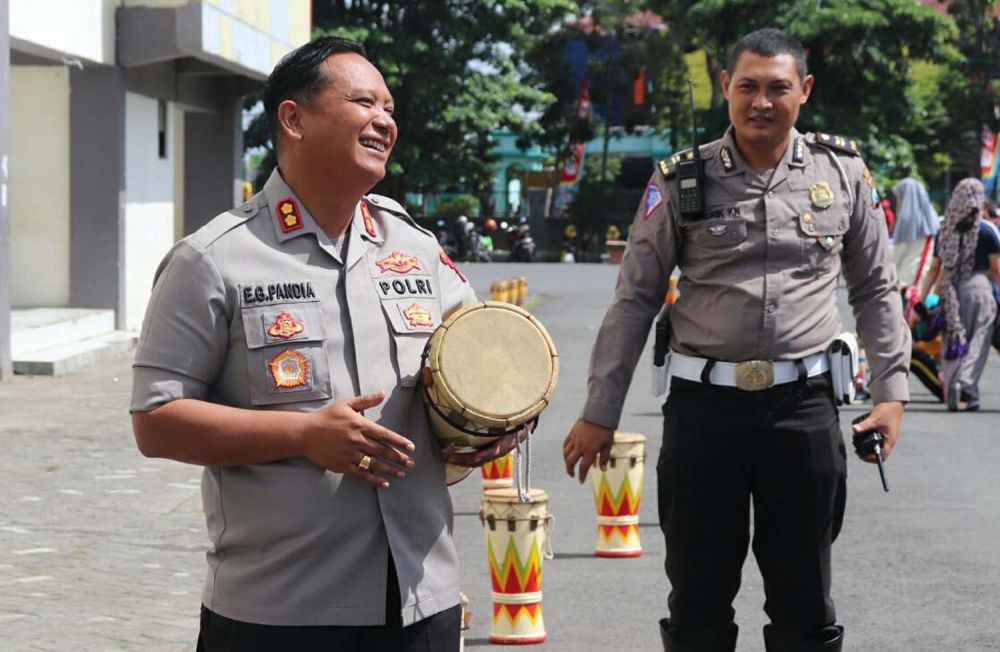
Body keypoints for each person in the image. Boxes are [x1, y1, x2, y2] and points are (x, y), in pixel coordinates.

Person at [129, 37, 519, 652]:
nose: (384, 121)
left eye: (389, 108)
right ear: (294, 119)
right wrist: (303, 435)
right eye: (364, 102)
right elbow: (155, 421)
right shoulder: (212, 259)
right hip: (279, 611)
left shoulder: (414, 247)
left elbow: (479, 359)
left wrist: (492, 423)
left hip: (421, 600)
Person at [562, 28, 909, 651]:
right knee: (697, 601)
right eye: (747, 86)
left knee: (805, 601)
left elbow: (877, 289)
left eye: (778, 88)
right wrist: (599, 411)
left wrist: (892, 394)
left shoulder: (843, 173)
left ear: (804, 90)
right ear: (726, 86)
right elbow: (634, 299)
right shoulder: (682, 179)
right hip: (705, 413)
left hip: (803, 410)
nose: (761, 102)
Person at [919, 178, 1000, 412]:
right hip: (979, 289)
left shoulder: (945, 230)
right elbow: (996, 269)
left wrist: (922, 300)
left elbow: (935, 268)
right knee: (979, 340)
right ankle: (966, 382)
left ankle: (955, 386)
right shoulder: (987, 230)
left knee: (953, 338)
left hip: (949, 291)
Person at [891, 177, 940, 288]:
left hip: (905, 279)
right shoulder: (931, 218)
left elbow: (898, 253)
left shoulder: (906, 220)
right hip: (925, 277)